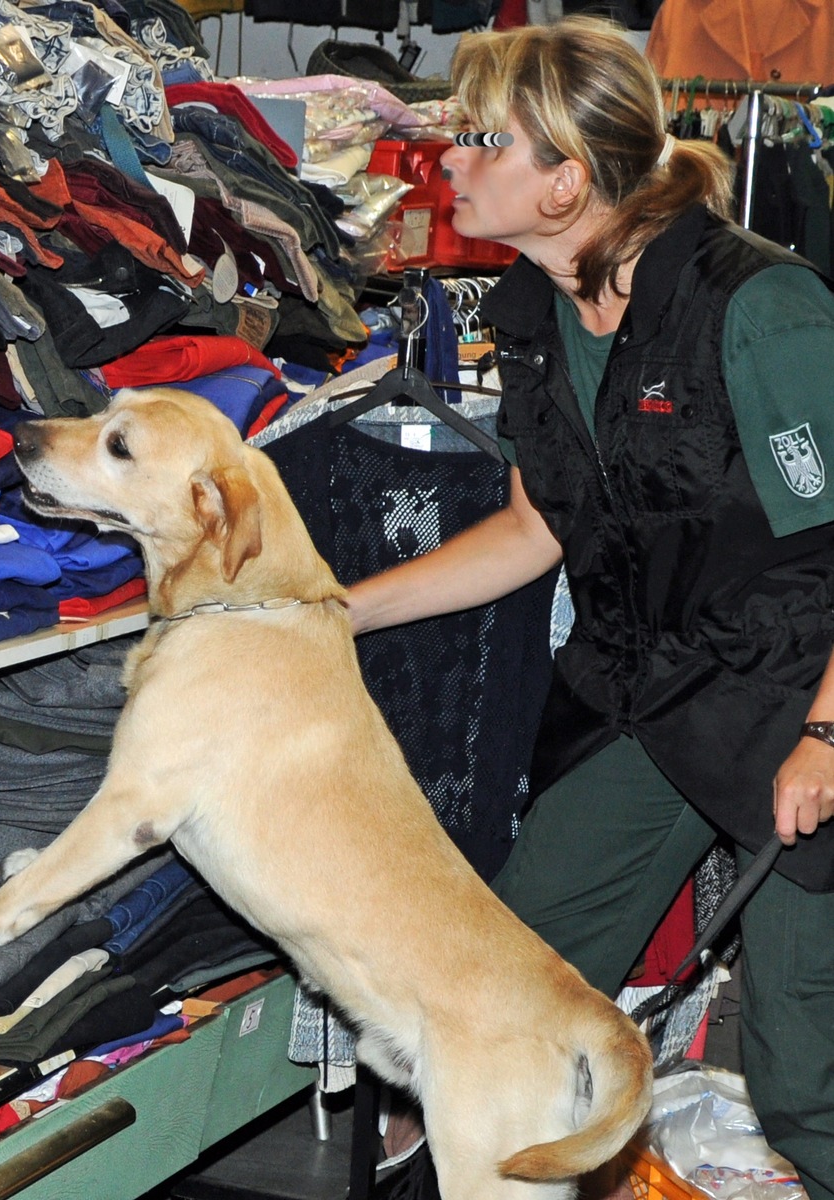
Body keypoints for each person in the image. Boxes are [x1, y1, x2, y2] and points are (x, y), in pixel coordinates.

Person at [348, 16, 834, 1199]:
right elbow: (538, 526)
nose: (448, 160)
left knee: (802, 1064)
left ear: (566, 180)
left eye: (480, 140)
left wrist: (825, 731)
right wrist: (334, 612)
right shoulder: (535, 308)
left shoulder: (758, 308)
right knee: (508, 997)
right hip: (649, 690)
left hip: (802, 691)